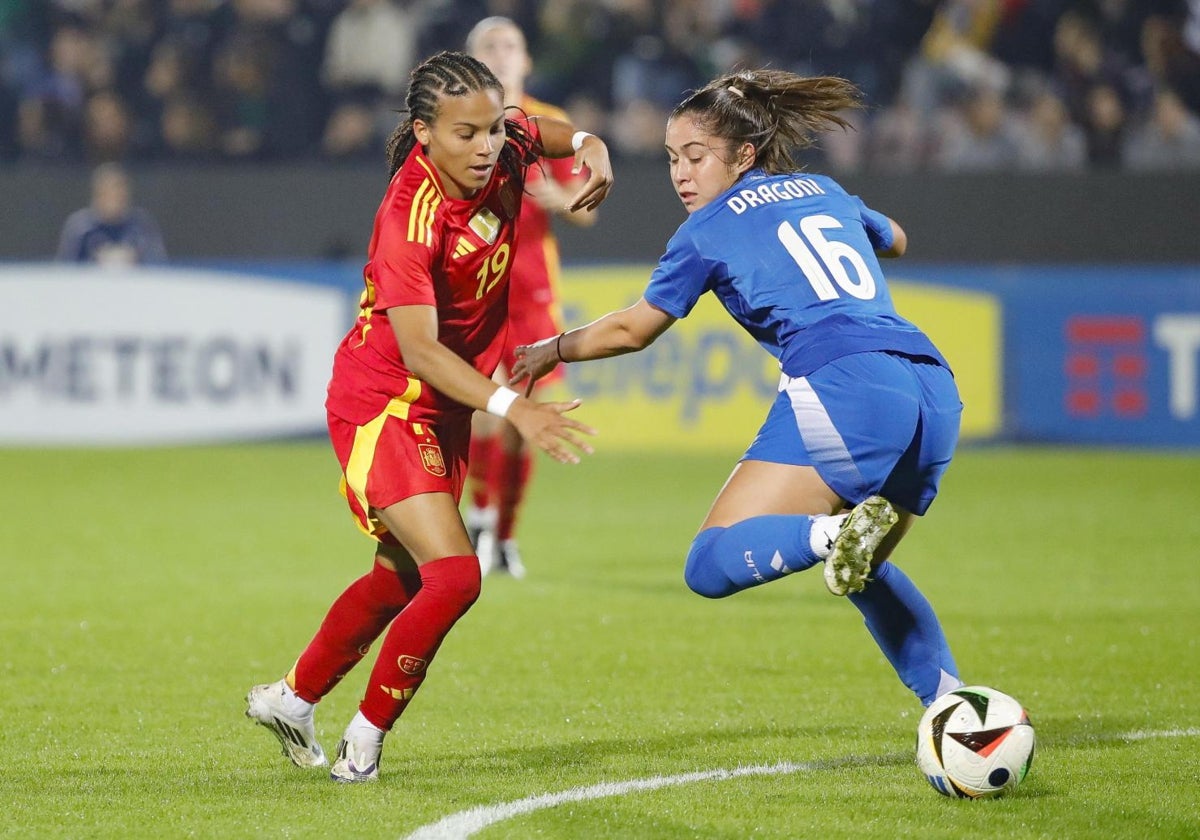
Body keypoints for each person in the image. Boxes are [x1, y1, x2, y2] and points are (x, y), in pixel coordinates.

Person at [512, 69, 963, 710]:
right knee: (860, 570)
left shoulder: (705, 230)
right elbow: (895, 237)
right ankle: (954, 703)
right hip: (932, 391)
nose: (681, 174)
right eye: (672, 158)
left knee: (709, 563)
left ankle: (829, 535)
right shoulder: (822, 187)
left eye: (696, 157)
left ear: (744, 154)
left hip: (845, 382)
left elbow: (633, 329)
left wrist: (549, 349)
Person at [245, 50, 612, 784]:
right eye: (465, 135)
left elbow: (558, 133)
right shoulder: (408, 217)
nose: (486, 148)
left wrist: (595, 151)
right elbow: (419, 349)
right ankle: (365, 743)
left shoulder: (505, 144)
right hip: (386, 401)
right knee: (454, 577)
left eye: (492, 132)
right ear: (423, 134)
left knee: (401, 577)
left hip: (443, 405)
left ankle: (291, 698)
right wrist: (516, 408)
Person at [462, 16, 599, 579]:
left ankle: (503, 536)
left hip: (529, 294)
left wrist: (554, 196)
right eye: (489, 46)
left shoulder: (551, 124)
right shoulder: (456, 122)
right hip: (469, 289)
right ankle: (480, 515)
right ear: (470, 60)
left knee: (523, 422)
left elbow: (587, 209)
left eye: (510, 45)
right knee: (483, 415)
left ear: (526, 61)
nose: (501, 53)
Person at [56, 162, 167, 265]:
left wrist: (134, 259)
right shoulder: (80, 226)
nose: (113, 200)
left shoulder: (141, 224)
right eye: (107, 194)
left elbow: (158, 263)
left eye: (119, 194)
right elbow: (66, 267)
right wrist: (96, 262)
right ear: (96, 195)